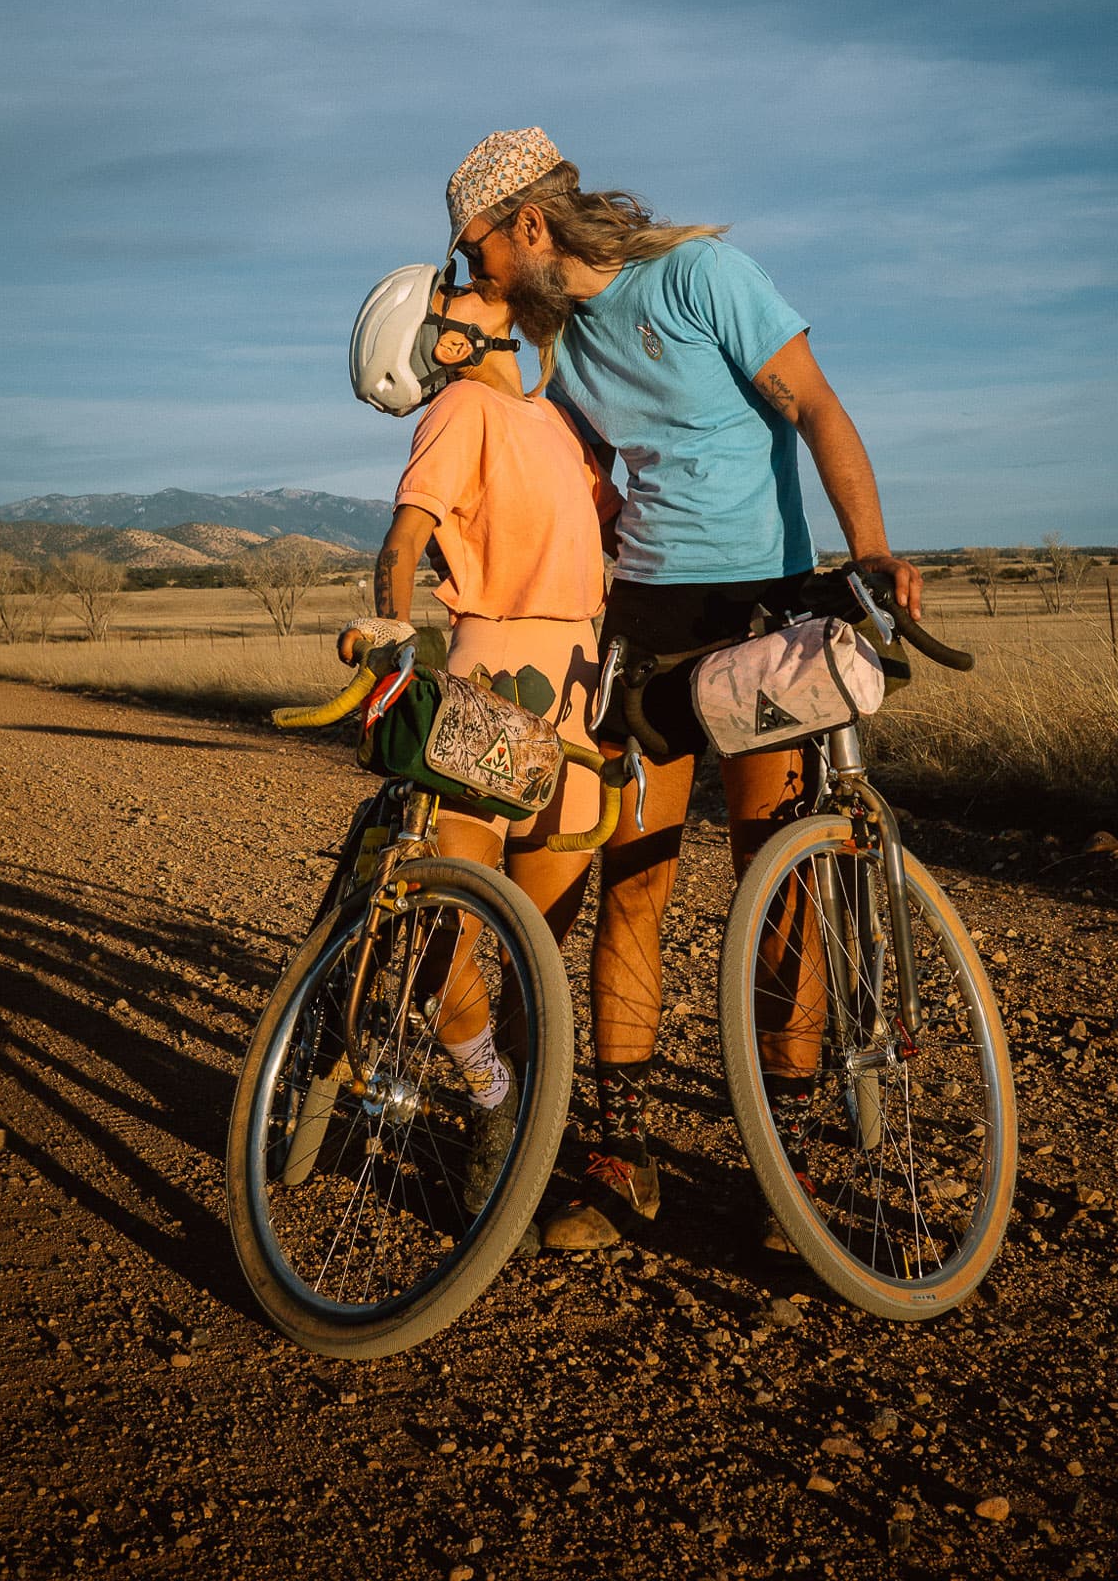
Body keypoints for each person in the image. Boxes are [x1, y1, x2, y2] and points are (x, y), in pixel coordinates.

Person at [443, 126, 922, 1251]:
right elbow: (569, 476)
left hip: (762, 613)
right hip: (645, 626)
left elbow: (813, 403)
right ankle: (619, 1147)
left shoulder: (703, 276)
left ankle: (785, 1160)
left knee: (783, 877)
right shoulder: (557, 343)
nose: (476, 275)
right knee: (635, 881)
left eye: (477, 251)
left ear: (527, 224)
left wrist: (869, 547)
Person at [339, 262, 619, 1218]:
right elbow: (403, 542)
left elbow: (619, 538)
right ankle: (492, 1100)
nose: (485, 283)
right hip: (488, 686)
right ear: (444, 340)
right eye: (458, 290)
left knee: (541, 948)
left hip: (582, 695)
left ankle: (526, 1123)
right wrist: (389, 629)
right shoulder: (461, 412)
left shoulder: (564, 422)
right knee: (452, 924)